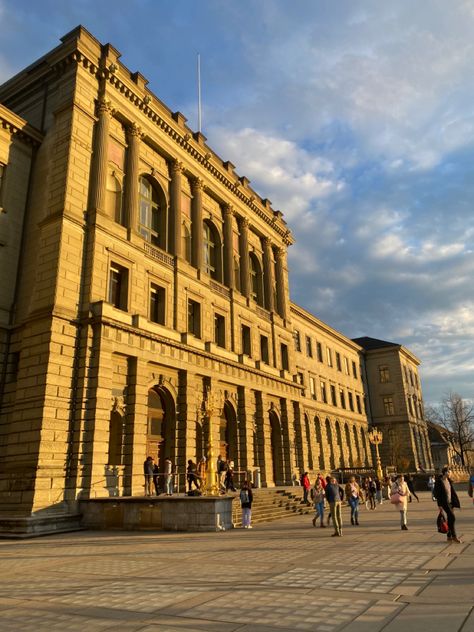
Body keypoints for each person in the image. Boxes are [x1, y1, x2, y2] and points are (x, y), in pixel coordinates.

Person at [434, 466, 462, 543]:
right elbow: (437, 494)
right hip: (444, 503)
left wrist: (454, 503)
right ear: (445, 472)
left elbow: (451, 492)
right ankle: (454, 536)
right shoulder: (439, 482)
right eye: (449, 472)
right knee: (452, 517)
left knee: (450, 519)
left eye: (450, 472)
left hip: (450, 502)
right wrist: (439, 505)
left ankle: (449, 536)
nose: (450, 473)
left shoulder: (449, 480)